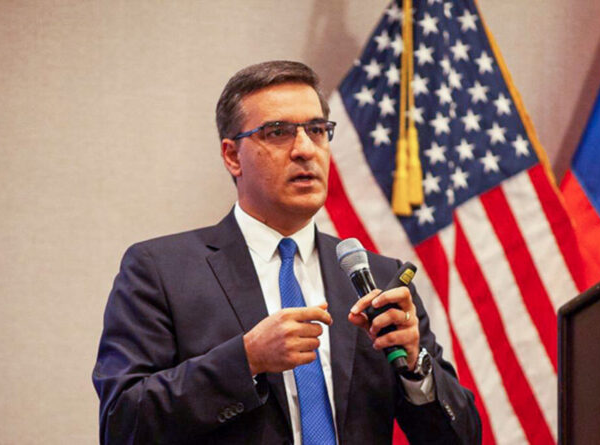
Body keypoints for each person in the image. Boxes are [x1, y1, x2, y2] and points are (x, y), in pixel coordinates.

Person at [93, 60, 481, 444]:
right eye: (278, 132)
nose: (305, 149)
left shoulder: (379, 279)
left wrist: (415, 365)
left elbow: (461, 438)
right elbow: (122, 424)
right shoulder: (162, 271)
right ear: (232, 156)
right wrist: (246, 359)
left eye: (317, 130)